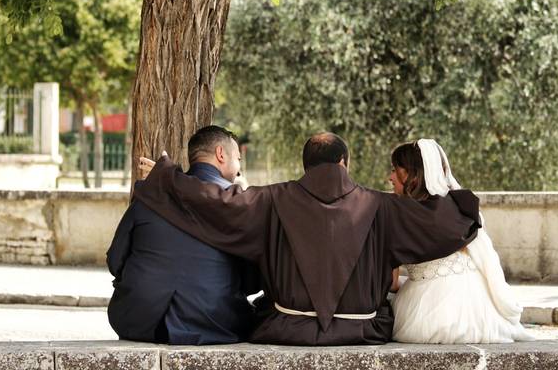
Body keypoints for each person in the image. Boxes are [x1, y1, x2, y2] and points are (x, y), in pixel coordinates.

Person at [134, 132, 481, 345]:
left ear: (305, 164)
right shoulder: (381, 205)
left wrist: (166, 177)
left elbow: (215, 201)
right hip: (363, 330)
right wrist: (458, 201)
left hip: (288, 327)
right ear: (343, 162)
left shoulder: (271, 199)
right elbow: (443, 226)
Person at [106, 125, 259, 344]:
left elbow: (115, 260)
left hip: (137, 319)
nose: (239, 171)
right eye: (238, 159)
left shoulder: (150, 194)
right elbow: (251, 280)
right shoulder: (238, 205)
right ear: (221, 154)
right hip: (216, 323)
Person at [388, 139, 533, 343]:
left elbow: (392, 284)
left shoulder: (398, 213)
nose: (390, 177)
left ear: (411, 173)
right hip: (480, 312)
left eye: (395, 169)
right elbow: (485, 260)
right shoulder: (461, 206)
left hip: (426, 315)